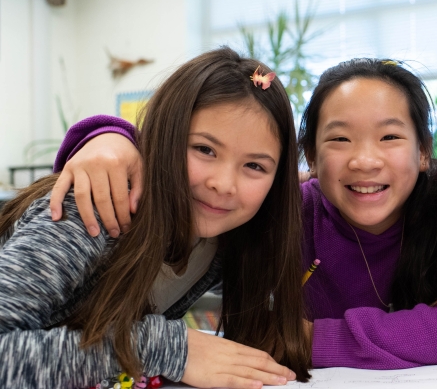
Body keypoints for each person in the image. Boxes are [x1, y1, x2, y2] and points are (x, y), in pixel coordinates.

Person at [48, 58, 437, 370]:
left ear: (423, 152)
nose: (364, 160)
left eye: (390, 137)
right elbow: (183, 162)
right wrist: (104, 136)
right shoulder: (281, 213)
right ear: (309, 157)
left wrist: (306, 338)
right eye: (339, 139)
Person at [0, 47, 309, 389]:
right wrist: (167, 347)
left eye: (255, 166)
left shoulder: (222, 242)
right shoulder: (91, 208)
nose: (223, 185)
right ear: (164, 138)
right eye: (204, 149)